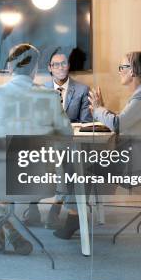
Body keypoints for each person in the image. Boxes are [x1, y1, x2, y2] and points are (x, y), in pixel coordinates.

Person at [0, 43, 73, 254]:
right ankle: (7, 229)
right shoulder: (50, 97)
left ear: (9, 68)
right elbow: (67, 135)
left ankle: (1, 224)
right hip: (37, 182)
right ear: (36, 69)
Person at [23, 48, 92, 230]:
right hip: (44, 143)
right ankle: (32, 207)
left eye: (64, 63)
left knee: (71, 166)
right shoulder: (39, 90)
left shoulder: (82, 90)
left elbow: (85, 122)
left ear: (68, 66)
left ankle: (57, 206)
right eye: (56, 64)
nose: (60, 67)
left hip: (69, 143)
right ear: (50, 68)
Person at [88, 51, 141, 176]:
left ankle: (68, 196)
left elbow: (118, 124)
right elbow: (124, 119)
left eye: (122, 67)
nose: (119, 71)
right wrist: (101, 109)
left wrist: (98, 110)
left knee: (86, 168)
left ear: (132, 70)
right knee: (90, 165)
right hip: (137, 156)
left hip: (140, 162)